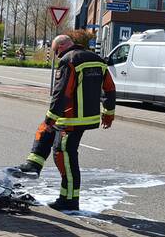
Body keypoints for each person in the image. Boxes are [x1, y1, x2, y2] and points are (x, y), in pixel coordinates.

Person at [12, 32, 116, 212]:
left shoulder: (69, 60)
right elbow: (110, 88)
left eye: (55, 51)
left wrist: (51, 118)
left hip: (71, 118)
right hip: (86, 117)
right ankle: (33, 165)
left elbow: (62, 92)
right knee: (46, 133)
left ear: (61, 47)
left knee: (64, 155)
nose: (56, 55)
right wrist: (108, 113)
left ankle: (69, 200)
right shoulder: (97, 59)